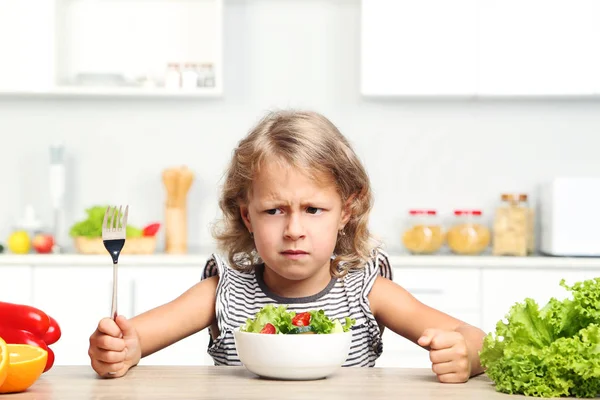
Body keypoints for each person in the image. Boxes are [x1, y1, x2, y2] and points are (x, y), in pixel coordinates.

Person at [88, 110, 486, 383]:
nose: (294, 229)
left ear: (346, 211)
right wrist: (118, 350)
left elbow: (477, 340)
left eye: (313, 209)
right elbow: (133, 341)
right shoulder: (223, 292)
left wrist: (466, 356)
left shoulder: (367, 292)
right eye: (274, 210)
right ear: (247, 216)